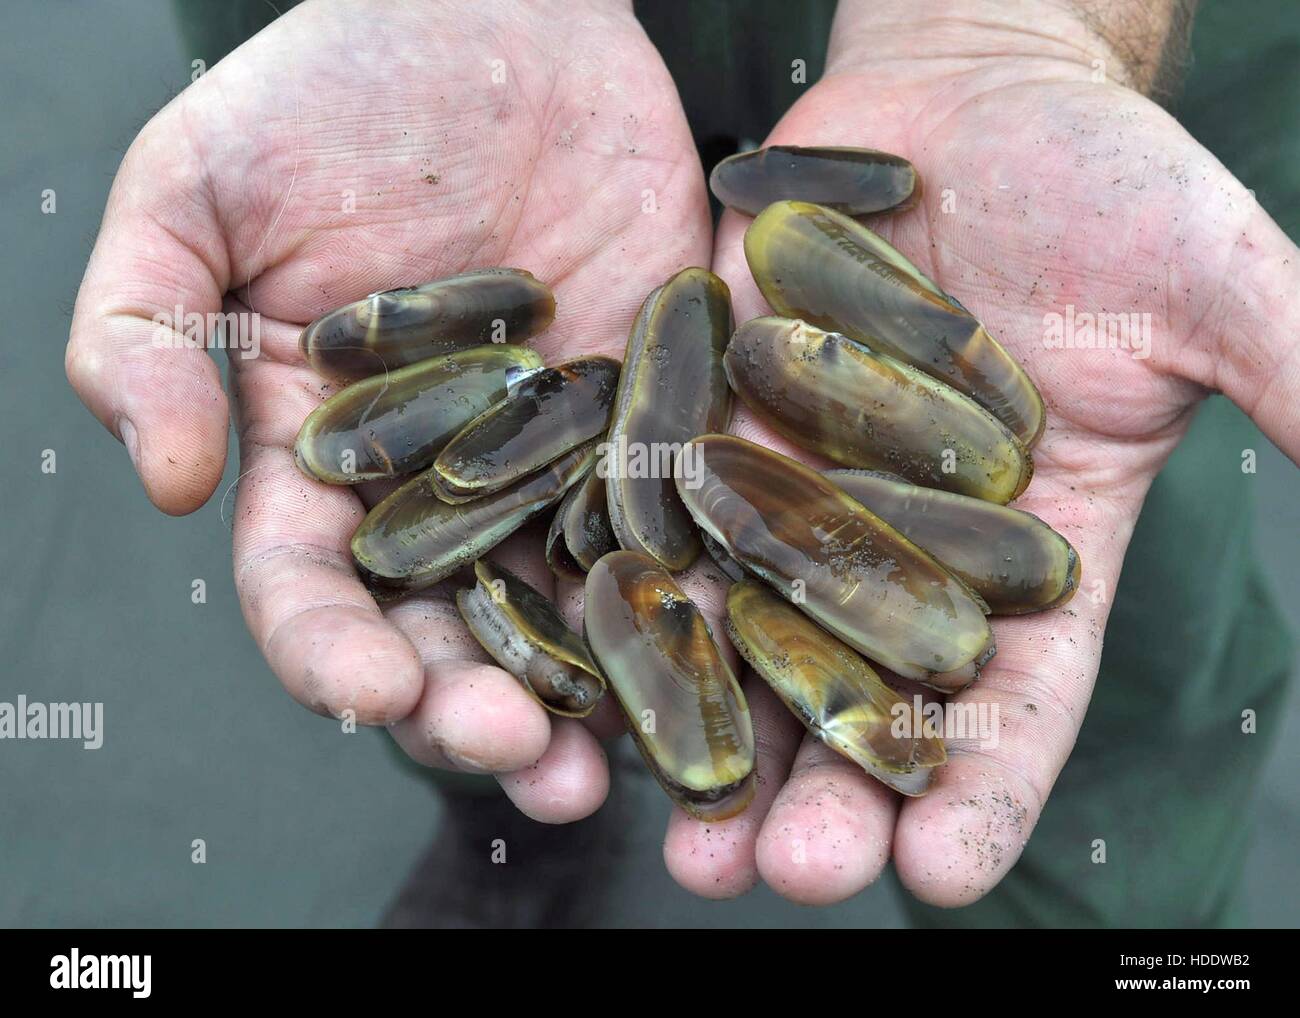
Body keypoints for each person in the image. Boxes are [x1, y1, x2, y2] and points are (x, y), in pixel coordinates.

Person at [66, 0, 1296, 926]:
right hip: (469, 71)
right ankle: (518, 842)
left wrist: (1000, 27)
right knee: (445, 624)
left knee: (1106, 643)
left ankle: (1118, 915)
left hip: (1048, 184)